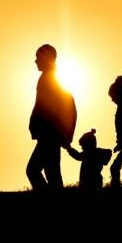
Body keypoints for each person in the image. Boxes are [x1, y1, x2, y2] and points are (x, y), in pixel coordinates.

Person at [26, 44, 77, 190]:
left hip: (49, 136)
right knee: (52, 174)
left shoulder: (49, 79)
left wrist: (65, 135)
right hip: (50, 135)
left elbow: (67, 107)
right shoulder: (49, 78)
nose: (35, 61)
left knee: (34, 170)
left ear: (46, 59)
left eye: (38, 57)